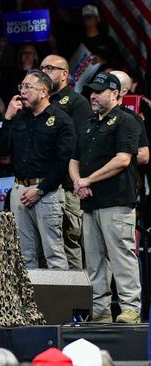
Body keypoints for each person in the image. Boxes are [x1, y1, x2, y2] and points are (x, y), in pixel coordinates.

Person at [69, 72, 141, 323]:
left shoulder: (127, 121)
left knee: (121, 255)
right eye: (92, 91)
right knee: (94, 258)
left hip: (117, 200)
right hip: (89, 200)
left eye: (99, 91)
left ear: (116, 93)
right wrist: (78, 181)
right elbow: (73, 160)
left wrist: (88, 180)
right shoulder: (87, 123)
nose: (93, 96)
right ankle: (100, 308)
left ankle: (130, 307)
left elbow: (123, 160)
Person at [5, 69, 75, 270]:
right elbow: (0, 151)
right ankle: (31, 302)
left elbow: (63, 162)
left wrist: (41, 189)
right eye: (21, 86)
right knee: (24, 255)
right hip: (19, 189)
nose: (22, 91)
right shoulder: (18, 117)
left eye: (28, 87)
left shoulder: (62, 120)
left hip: (47, 191)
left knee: (53, 252)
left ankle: (60, 303)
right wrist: (8, 118)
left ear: (44, 92)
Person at [41, 54, 93, 270]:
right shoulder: (37, 101)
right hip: (40, 185)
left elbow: (79, 145)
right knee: (43, 246)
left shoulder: (77, 102)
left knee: (68, 241)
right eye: (41, 68)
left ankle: (75, 300)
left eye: (50, 68)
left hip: (66, 185)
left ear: (64, 74)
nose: (44, 72)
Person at [110, 70, 150, 166]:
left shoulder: (132, 118)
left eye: (111, 84)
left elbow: (143, 156)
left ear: (123, 91)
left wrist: (112, 162)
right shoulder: (92, 117)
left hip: (123, 178)